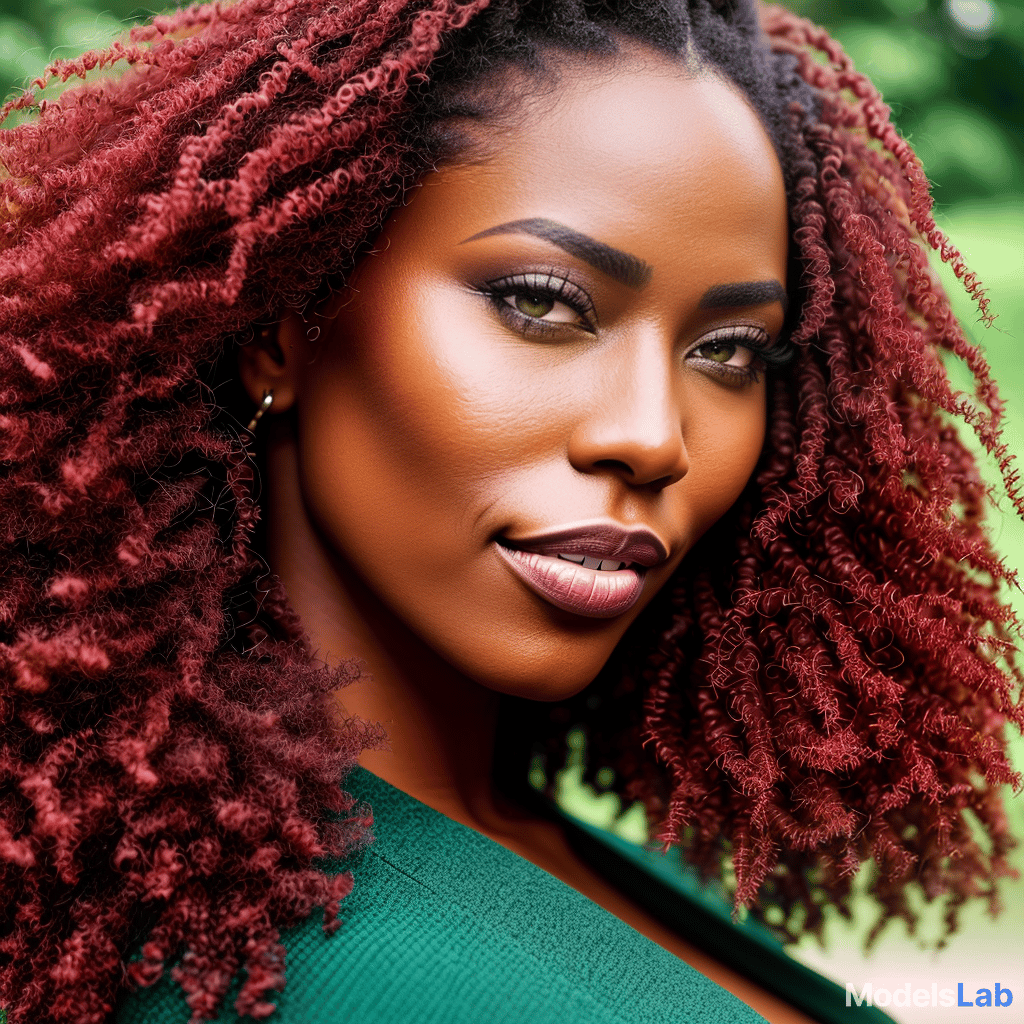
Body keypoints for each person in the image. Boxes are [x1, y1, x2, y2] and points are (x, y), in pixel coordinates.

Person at [1, 0, 1021, 1021]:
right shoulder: (309, 967)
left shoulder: (565, 857)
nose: (652, 437)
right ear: (281, 322)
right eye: (541, 301)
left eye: (728, 351)